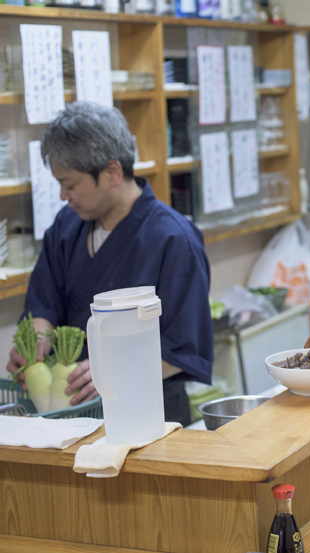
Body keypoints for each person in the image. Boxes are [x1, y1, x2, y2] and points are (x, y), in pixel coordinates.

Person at [5, 102, 213, 426]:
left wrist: (111, 371)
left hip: (148, 412)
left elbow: (183, 348)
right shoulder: (66, 226)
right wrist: (35, 341)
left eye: (70, 185)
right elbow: (43, 304)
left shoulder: (174, 239)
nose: (62, 195)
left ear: (112, 172)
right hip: (70, 411)